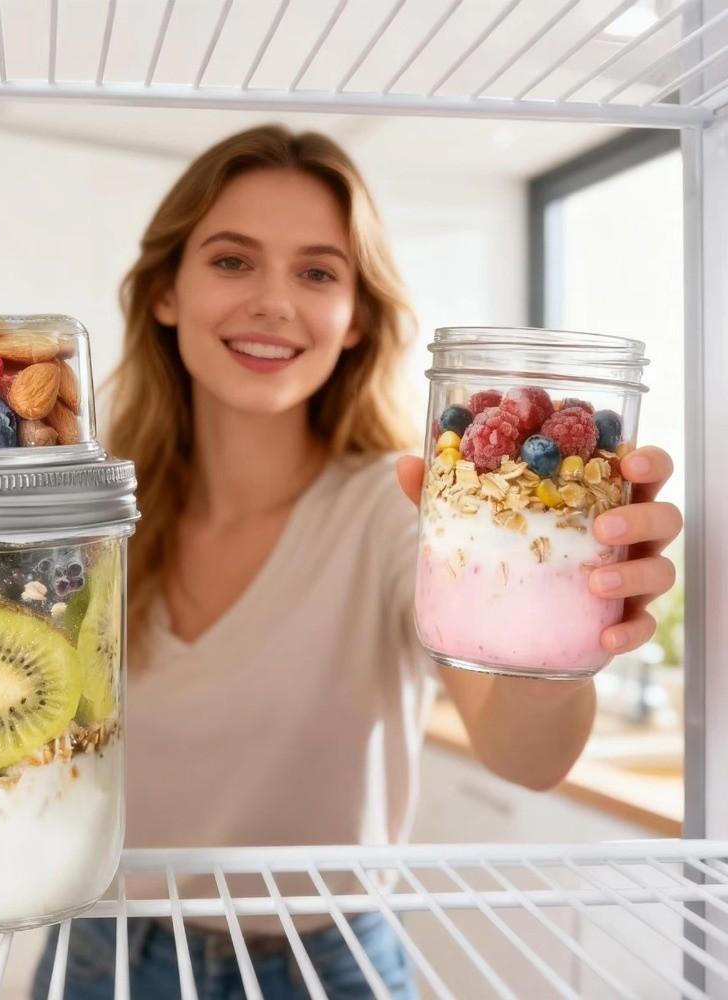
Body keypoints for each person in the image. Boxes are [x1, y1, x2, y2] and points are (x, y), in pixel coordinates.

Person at [33, 124, 682, 1000]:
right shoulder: (94, 513)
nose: (273, 302)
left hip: (325, 965)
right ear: (164, 294)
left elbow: (524, 757)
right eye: (231, 261)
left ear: (355, 320)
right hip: (103, 952)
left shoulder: (401, 505)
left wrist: (573, 604)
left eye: (317, 272)